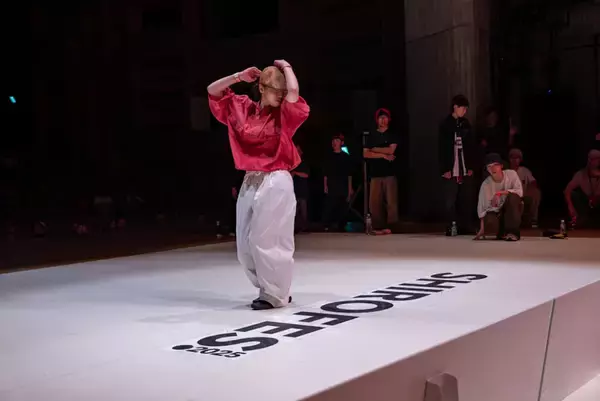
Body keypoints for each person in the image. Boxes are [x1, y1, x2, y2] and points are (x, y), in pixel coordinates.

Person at [207, 60, 310, 310]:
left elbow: (294, 92)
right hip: (251, 178)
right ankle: (273, 287)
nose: (281, 96)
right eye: (276, 91)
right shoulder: (242, 108)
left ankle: (275, 294)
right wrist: (238, 76)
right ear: (262, 88)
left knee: (267, 239)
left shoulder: (283, 114)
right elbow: (212, 90)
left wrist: (287, 67)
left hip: (277, 178)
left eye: (282, 91)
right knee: (244, 245)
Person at [439, 95, 477, 235]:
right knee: (450, 199)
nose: (464, 111)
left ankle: (465, 225)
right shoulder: (446, 125)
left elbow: (471, 146)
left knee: (465, 198)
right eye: (463, 108)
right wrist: (445, 169)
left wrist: (471, 166)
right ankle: (451, 225)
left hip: (464, 166)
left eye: (466, 109)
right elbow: (442, 149)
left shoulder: (465, 124)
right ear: (455, 107)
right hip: (452, 166)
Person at [363, 108, 398, 233]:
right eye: (380, 118)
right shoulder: (372, 135)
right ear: (377, 120)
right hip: (375, 173)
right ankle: (377, 225)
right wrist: (383, 155)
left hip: (389, 172)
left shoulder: (392, 134)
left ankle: (392, 225)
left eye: (385, 117)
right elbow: (366, 153)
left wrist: (374, 149)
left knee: (391, 201)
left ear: (389, 119)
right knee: (375, 202)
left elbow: (391, 150)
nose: (383, 120)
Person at [475, 153, 524, 241]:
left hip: (511, 210)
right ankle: (501, 232)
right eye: (489, 166)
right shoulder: (486, 184)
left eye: (495, 165)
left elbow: (519, 192)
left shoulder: (511, 174)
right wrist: (482, 229)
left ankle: (512, 232)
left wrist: (499, 193)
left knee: (513, 198)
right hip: (497, 213)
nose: (492, 168)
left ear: (501, 166)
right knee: (490, 221)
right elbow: (481, 208)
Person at [323, 134, 354, 232]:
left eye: (337, 141)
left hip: (343, 185)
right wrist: (325, 185)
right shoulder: (329, 156)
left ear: (341, 143)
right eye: (333, 141)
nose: (334, 143)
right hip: (332, 184)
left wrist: (350, 188)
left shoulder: (346, 157)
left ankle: (342, 225)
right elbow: (326, 173)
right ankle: (327, 225)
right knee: (329, 205)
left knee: (343, 206)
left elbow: (349, 174)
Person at [564, 149, 600, 228]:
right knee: (574, 194)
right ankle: (579, 219)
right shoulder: (581, 174)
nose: (594, 161)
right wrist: (570, 207)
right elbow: (567, 191)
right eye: (592, 159)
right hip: (586, 203)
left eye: (597, 159)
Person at [508, 148, 541, 228]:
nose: (515, 160)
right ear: (509, 159)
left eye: (517, 158)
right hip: (511, 195)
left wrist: (530, 189)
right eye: (513, 157)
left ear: (520, 159)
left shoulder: (524, 171)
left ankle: (533, 220)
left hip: (523, 194)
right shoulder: (506, 172)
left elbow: (533, 182)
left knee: (536, 192)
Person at [291, 144, 309, 233]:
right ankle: (295, 227)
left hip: (302, 190)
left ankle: (304, 227)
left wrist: (296, 173)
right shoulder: (292, 163)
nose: (296, 152)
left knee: (303, 209)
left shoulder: (304, 163)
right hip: (293, 190)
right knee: (294, 210)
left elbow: (306, 175)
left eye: (298, 150)